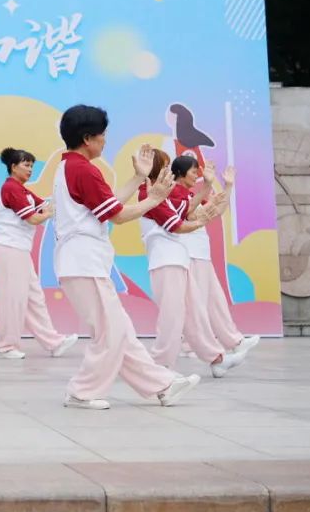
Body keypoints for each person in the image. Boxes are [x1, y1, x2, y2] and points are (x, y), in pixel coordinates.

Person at [53, 104, 200, 410]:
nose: (105, 140)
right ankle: (82, 391)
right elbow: (118, 216)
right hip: (84, 263)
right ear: (87, 138)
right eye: (102, 135)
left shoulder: (71, 167)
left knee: (120, 331)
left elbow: (109, 205)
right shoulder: (84, 170)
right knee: (111, 332)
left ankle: (162, 385)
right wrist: (154, 198)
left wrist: (137, 178)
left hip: (82, 262)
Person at [141, 151, 245, 378]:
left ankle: (216, 359)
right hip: (165, 260)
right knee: (173, 314)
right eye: (165, 166)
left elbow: (187, 210)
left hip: (178, 259)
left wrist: (213, 190)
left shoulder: (164, 193)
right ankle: (160, 366)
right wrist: (201, 217)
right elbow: (178, 224)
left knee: (194, 312)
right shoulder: (149, 193)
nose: (169, 171)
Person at [0, 147, 78, 360]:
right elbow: (33, 218)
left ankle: (53, 342)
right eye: (26, 165)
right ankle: (6, 346)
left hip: (20, 250)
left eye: (32, 165)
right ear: (13, 167)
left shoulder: (24, 191)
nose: (30, 169)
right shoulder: (11, 188)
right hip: (8, 248)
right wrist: (46, 213)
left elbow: (47, 205)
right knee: (13, 299)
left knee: (34, 298)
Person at [172, 157, 261, 358]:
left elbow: (216, 211)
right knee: (197, 304)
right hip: (189, 255)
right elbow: (191, 214)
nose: (196, 175)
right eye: (193, 172)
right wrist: (208, 186)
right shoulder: (174, 193)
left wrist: (228, 186)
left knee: (215, 301)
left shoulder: (191, 194)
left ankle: (234, 341)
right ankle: (189, 345)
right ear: (180, 173)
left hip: (201, 255)